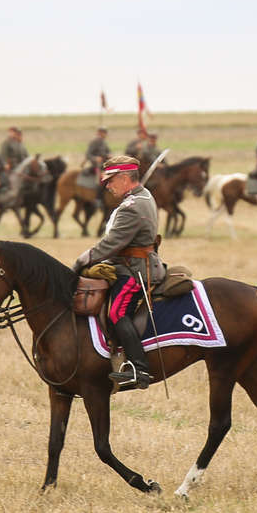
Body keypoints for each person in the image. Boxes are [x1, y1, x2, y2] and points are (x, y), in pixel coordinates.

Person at [70, 155, 165, 390]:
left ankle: (139, 369)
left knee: (116, 312)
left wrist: (80, 262)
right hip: (127, 263)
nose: (107, 186)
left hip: (135, 271)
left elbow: (109, 244)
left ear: (124, 178)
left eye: (110, 181)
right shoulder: (139, 198)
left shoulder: (132, 207)